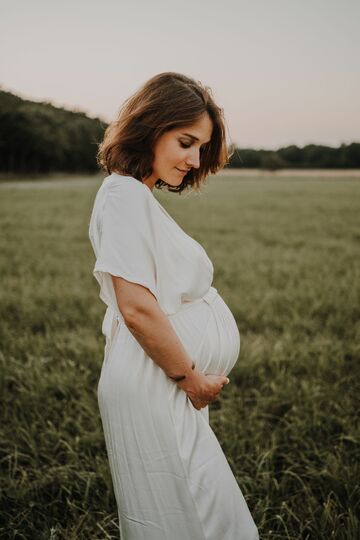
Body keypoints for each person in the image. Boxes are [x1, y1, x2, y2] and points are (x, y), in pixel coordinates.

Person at [88, 72, 259, 540]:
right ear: (151, 125)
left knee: (193, 520)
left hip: (163, 386)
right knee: (194, 523)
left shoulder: (135, 197)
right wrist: (191, 378)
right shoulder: (123, 194)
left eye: (201, 148)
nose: (194, 159)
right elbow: (136, 306)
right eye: (186, 142)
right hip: (160, 383)